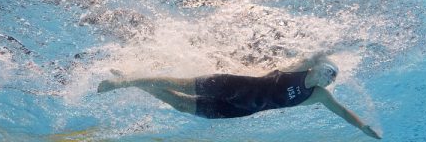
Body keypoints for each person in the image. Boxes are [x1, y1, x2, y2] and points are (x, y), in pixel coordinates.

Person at [97, 56, 382, 139]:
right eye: (329, 71)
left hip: (241, 109)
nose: (330, 78)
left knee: (180, 104)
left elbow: (342, 112)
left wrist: (363, 127)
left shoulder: (317, 95)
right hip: (236, 86)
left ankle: (134, 82)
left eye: (335, 77)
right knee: (180, 84)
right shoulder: (300, 66)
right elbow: (315, 53)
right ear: (317, 67)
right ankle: (125, 81)